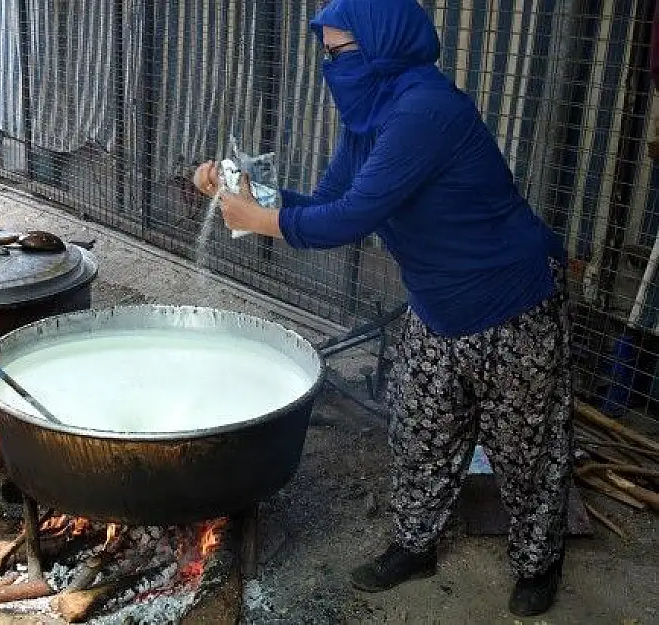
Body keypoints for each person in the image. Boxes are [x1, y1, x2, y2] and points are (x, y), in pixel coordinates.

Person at [193, 0, 572, 617]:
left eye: (341, 53)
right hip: (436, 305)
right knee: (422, 432)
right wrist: (244, 193)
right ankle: (415, 545)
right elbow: (329, 199)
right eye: (326, 54)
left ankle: (538, 563)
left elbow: (352, 218)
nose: (330, 67)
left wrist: (261, 221)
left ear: (385, 46)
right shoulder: (367, 116)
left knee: (525, 446)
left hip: (510, 302)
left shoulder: (426, 110)